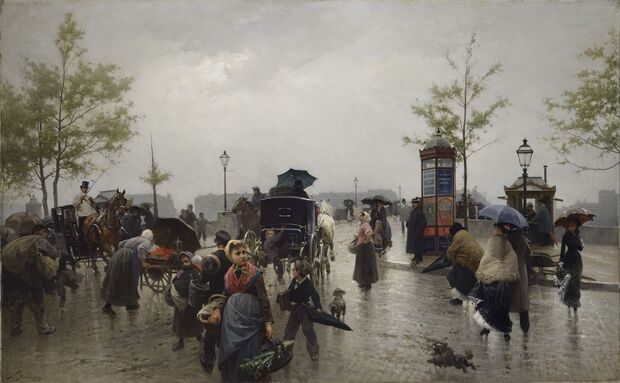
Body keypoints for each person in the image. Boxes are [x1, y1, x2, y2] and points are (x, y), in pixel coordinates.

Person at [208, 240, 274, 382]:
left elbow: (263, 299)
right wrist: (218, 310)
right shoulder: (229, 275)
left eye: (244, 252)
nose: (243, 256)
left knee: (248, 354)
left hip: (251, 321)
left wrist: (268, 323)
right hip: (231, 322)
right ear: (231, 256)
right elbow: (225, 294)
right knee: (231, 354)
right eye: (238, 253)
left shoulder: (255, 274)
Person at [469, 224, 520, 341]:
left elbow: (487, 258)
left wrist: (484, 270)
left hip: (490, 278)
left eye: (495, 228)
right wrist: (506, 271)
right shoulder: (507, 243)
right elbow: (513, 258)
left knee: (488, 304)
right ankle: (505, 332)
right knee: (502, 306)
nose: (493, 230)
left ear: (499, 230)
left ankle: (487, 328)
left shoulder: (493, 241)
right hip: (502, 281)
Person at [2, 234, 58, 336]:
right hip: (31, 274)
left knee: (20, 300)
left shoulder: (24, 241)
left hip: (20, 273)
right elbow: (53, 253)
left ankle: (15, 328)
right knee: (39, 301)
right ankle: (43, 328)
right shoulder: (40, 240)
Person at [199, 230, 232, 372]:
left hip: (215, 297)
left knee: (211, 328)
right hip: (231, 296)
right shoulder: (233, 256)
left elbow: (203, 280)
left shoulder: (212, 259)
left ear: (217, 243)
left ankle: (208, 359)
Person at [101, 229, 153, 316]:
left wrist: (123, 253)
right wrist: (143, 262)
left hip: (118, 256)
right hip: (128, 259)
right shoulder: (147, 241)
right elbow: (141, 248)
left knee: (115, 282)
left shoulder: (136, 238)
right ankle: (131, 305)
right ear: (150, 238)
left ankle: (108, 306)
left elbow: (120, 244)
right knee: (130, 280)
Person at [284, 259, 321, 361]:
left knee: (308, 330)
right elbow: (290, 290)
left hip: (305, 309)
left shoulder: (307, 283)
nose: (292, 271)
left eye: (294, 269)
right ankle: (287, 351)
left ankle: (314, 351)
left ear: (299, 272)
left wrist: (318, 307)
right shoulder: (294, 280)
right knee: (289, 330)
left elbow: (314, 295)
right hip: (295, 309)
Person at [170, 251, 202, 351]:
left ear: (191, 260)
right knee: (181, 321)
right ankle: (180, 341)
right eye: (182, 259)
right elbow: (174, 283)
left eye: (186, 258)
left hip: (193, 302)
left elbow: (200, 285)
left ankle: (199, 336)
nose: (184, 260)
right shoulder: (180, 272)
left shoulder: (196, 272)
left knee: (196, 319)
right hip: (182, 302)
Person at [446, 222, 483, 305]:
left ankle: (460, 298)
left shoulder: (458, 236)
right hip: (478, 259)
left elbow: (452, 251)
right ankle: (474, 298)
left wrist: (449, 255)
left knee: (452, 277)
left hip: (467, 259)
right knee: (469, 280)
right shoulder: (465, 234)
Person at [506, 223, 532, 333]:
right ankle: (525, 327)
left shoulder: (508, 239)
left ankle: (505, 327)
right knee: (522, 301)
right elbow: (529, 255)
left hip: (511, 272)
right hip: (522, 271)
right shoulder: (523, 239)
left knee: (505, 301)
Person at [558, 218, 584, 311]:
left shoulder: (578, 234)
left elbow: (580, 248)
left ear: (576, 225)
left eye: (574, 225)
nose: (572, 226)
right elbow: (562, 250)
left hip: (577, 260)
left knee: (576, 282)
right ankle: (569, 301)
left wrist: (578, 239)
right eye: (570, 224)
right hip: (568, 260)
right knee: (569, 282)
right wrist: (560, 262)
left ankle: (575, 303)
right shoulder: (565, 235)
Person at [353, 211, 379, 291]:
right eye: (360, 216)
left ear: (364, 217)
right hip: (362, 247)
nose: (359, 217)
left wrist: (366, 241)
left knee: (366, 265)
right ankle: (363, 282)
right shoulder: (361, 224)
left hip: (366, 248)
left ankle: (367, 284)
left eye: (361, 216)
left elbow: (370, 233)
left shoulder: (366, 224)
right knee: (362, 265)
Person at [406, 197, 427, 266]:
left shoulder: (419, 211)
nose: (414, 204)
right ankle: (417, 256)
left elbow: (423, 222)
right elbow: (410, 219)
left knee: (417, 245)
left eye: (415, 203)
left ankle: (418, 258)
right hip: (412, 232)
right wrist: (408, 223)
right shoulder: (413, 211)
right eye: (413, 203)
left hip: (417, 233)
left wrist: (418, 230)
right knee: (414, 245)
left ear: (418, 204)